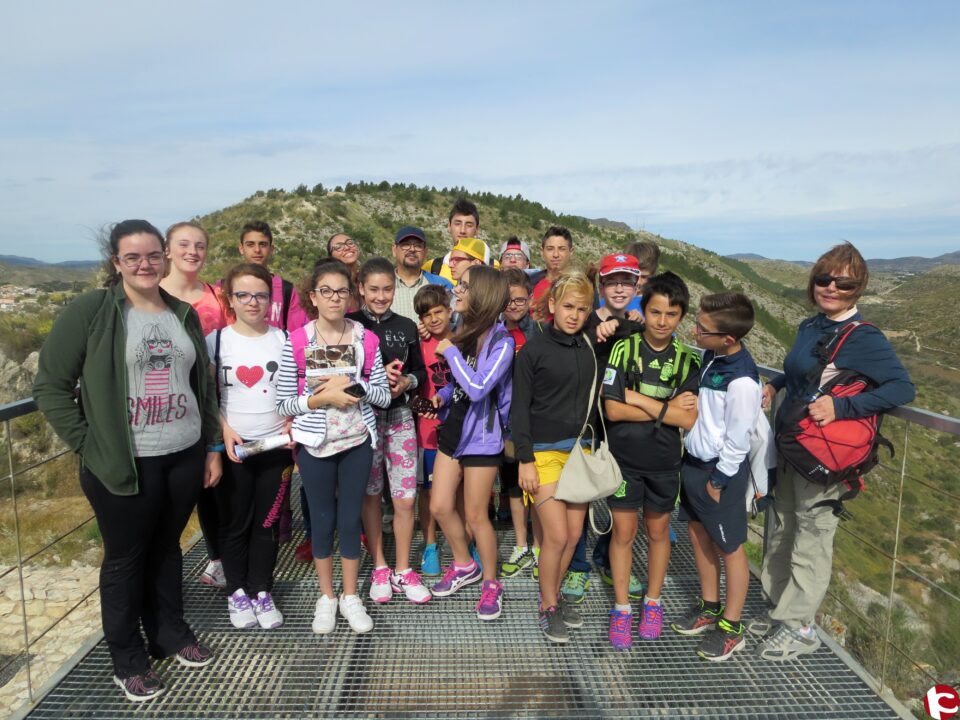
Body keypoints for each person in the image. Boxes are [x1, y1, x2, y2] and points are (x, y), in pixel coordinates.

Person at [33, 219, 221, 702]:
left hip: (182, 453)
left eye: (152, 255)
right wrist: (87, 444)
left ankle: (170, 634)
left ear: (165, 258)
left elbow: (201, 385)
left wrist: (209, 443)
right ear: (115, 263)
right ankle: (127, 659)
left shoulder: (182, 313)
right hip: (123, 461)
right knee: (125, 560)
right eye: (132, 257)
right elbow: (51, 386)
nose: (144, 264)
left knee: (168, 548)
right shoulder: (93, 311)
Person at [752, 242, 914, 660]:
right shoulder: (813, 325)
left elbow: (902, 387)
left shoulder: (864, 337)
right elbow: (802, 375)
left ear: (858, 289)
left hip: (822, 456)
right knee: (783, 527)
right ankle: (779, 608)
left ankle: (800, 627)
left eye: (844, 282)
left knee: (811, 537)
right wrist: (776, 384)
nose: (831, 288)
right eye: (824, 279)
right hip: (792, 446)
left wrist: (843, 407)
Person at [275, 259, 391, 635]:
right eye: (326, 291)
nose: (335, 298)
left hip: (357, 441)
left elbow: (383, 396)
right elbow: (283, 403)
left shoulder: (365, 339)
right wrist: (321, 398)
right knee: (322, 521)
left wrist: (351, 388)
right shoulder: (297, 340)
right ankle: (326, 597)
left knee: (349, 519)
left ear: (351, 294)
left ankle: (350, 595)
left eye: (342, 291)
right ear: (313, 296)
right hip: (315, 445)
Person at [603, 272, 701, 649]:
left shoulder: (687, 359)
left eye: (672, 314)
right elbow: (612, 410)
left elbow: (688, 419)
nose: (662, 321)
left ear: (681, 317)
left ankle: (654, 602)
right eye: (656, 312)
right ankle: (623, 608)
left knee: (658, 534)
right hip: (624, 460)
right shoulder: (622, 350)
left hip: (664, 464)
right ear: (643, 310)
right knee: (624, 535)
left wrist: (640, 399)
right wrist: (666, 408)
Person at [670, 292, 761, 661]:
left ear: (728, 338)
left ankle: (732, 625)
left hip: (718, 472)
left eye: (703, 329)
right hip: (694, 460)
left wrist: (719, 481)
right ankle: (710, 606)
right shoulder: (712, 356)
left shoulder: (742, 381)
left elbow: (739, 439)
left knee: (731, 548)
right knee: (697, 533)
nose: (695, 331)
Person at [511, 271, 598, 643]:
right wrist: (525, 460)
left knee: (575, 534)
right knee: (557, 536)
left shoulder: (591, 347)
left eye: (582, 309)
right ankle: (547, 606)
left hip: (580, 454)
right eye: (567, 307)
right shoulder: (533, 351)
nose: (574, 315)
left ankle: (556, 595)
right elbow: (520, 410)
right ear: (551, 306)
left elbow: (629, 327)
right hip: (544, 456)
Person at [429, 265, 514, 622]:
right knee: (439, 506)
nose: (456, 291)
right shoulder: (464, 331)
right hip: (454, 431)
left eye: (463, 286)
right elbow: (464, 385)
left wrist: (449, 352)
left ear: (482, 294)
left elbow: (480, 387)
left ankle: (492, 582)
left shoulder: (502, 341)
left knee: (478, 516)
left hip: (482, 440)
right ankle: (464, 564)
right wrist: (444, 395)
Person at [208, 263, 289, 630]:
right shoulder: (217, 342)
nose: (251, 302)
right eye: (243, 294)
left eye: (259, 295)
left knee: (266, 524)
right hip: (234, 449)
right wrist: (222, 429)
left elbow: (294, 390)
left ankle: (261, 590)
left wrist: (292, 420)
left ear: (270, 300)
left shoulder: (284, 339)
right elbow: (207, 397)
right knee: (234, 523)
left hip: (275, 447)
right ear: (230, 298)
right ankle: (236, 592)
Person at [347, 257, 431, 605]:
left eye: (387, 289)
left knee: (405, 497)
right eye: (374, 290)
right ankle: (379, 566)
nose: (381, 296)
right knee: (370, 493)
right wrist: (376, 379)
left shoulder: (408, 325)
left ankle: (403, 568)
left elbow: (419, 373)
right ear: (361, 290)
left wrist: (406, 382)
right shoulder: (349, 325)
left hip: (399, 417)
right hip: (363, 420)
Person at [562, 253, 644, 605]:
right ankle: (578, 567)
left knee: (619, 500)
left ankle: (607, 557)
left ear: (637, 285)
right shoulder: (583, 322)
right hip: (585, 425)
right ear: (602, 285)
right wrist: (598, 330)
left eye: (627, 280)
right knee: (579, 498)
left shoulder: (637, 325)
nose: (620, 287)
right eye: (613, 281)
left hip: (622, 428)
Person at [159, 221, 230, 590]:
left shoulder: (215, 296)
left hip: (216, 401)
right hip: (166, 405)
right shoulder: (151, 293)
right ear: (167, 250)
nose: (192, 252)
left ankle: (219, 557)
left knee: (214, 486)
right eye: (183, 244)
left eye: (199, 245)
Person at [496, 270, 542, 579]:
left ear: (530, 299)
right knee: (513, 484)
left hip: (537, 420)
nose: (514, 305)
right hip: (504, 420)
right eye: (508, 300)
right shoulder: (493, 331)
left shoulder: (540, 332)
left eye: (520, 299)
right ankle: (521, 544)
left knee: (538, 485)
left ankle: (539, 547)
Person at [413, 283, 456, 577]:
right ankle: (430, 545)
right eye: (427, 315)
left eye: (438, 312)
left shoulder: (462, 339)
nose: (433, 319)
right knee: (428, 491)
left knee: (462, 491)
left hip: (461, 428)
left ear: (449, 311)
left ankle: (464, 543)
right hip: (429, 428)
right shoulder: (420, 343)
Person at [238, 220, 309, 332]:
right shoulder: (224, 287)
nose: (257, 250)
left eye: (263, 244)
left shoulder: (287, 290)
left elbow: (297, 334)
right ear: (241, 248)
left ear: (271, 249)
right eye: (250, 244)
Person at [391, 225, 452, 323]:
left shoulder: (442, 285)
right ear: (394, 250)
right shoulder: (382, 287)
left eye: (418, 246)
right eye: (405, 244)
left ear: (425, 252)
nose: (412, 249)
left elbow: (453, 322)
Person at [423, 199, 491, 284]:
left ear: (477, 229)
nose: (462, 230)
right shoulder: (432, 267)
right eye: (457, 224)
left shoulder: (493, 266)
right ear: (449, 226)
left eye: (469, 225)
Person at [530, 227, 574, 320]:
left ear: (571, 252)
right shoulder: (528, 282)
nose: (555, 254)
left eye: (562, 249)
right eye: (550, 249)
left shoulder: (583, 285)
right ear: (542, 252)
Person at [327, 232, 361, 312]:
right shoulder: (330, 287)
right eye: (338, 247)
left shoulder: (365, 279)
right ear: (331, 257)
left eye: (350, 243)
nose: (346, 247)